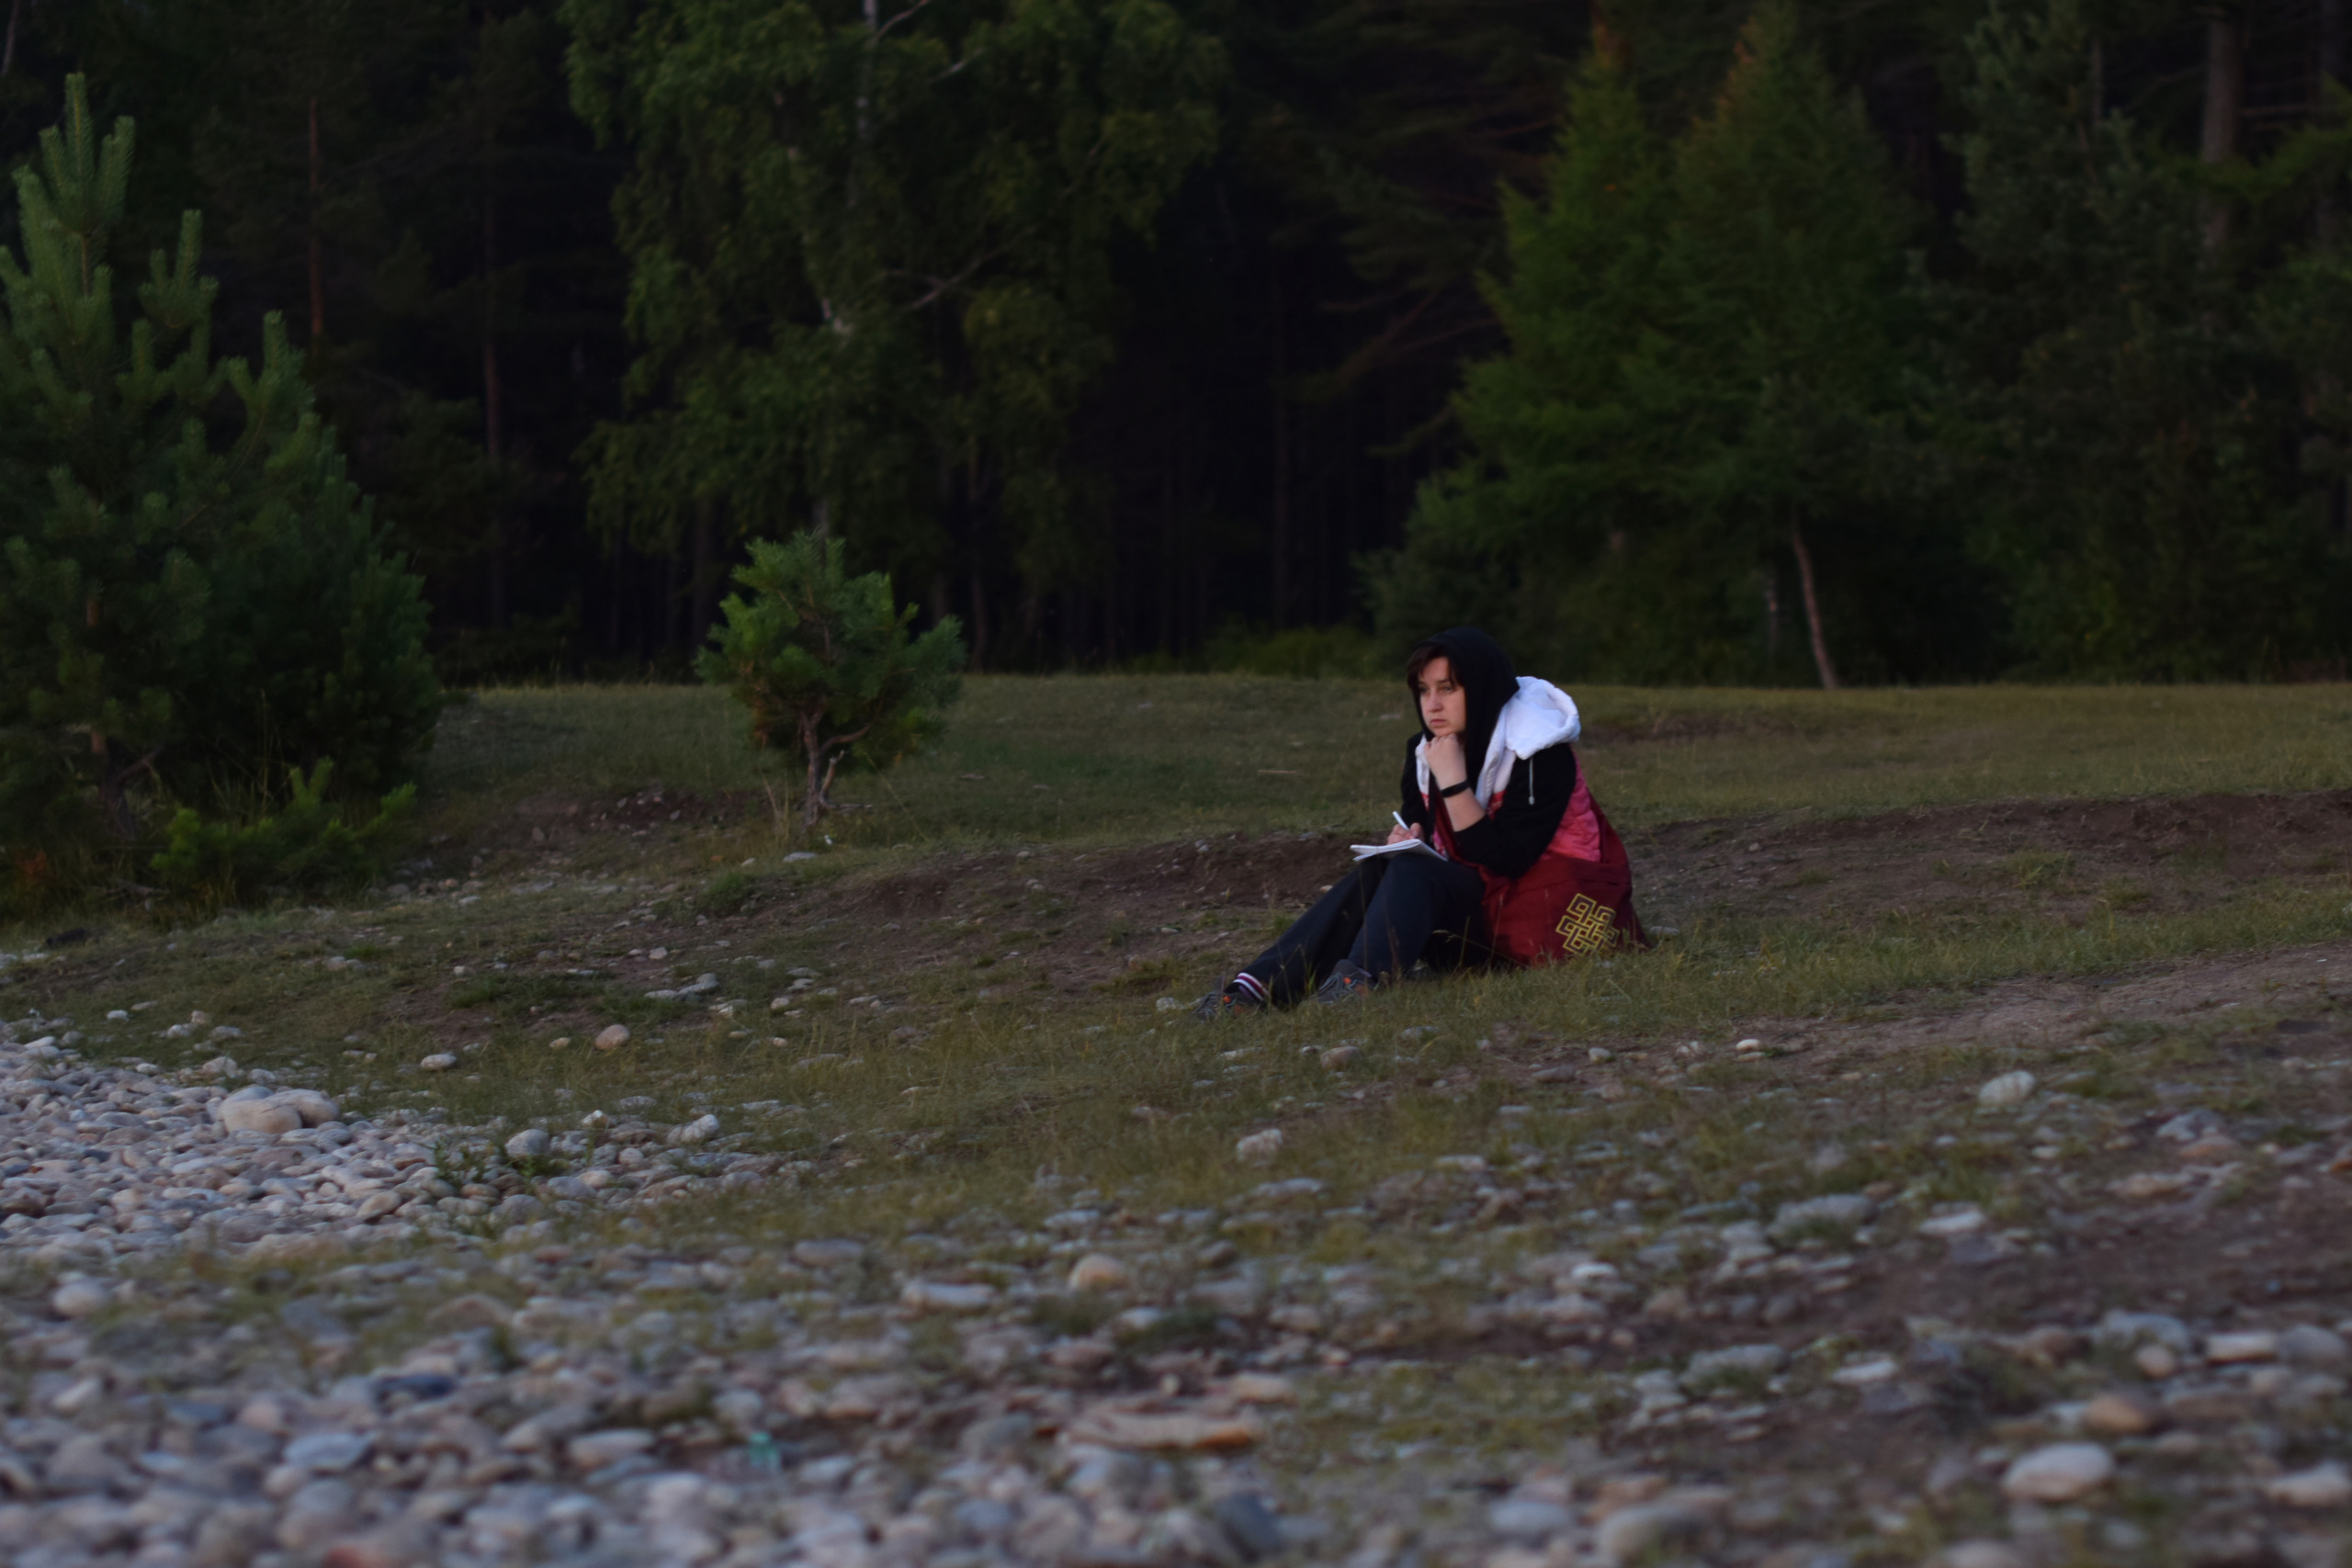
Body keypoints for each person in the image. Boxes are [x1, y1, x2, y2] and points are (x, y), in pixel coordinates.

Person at [1193, 626, 1646, 1016]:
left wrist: (1453, 785)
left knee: (1409, 868)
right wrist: (1410, 838)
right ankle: (1253, 990)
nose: (1433, 704)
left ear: (1482, 687)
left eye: (1448, 688)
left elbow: (1509, 860)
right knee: (1388, 865)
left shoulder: (1540, 753)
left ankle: (1361, 983)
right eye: (1424, 690)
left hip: (1550, 923)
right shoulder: (1425, 752)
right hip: (1483, 918)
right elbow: (1429, 839)